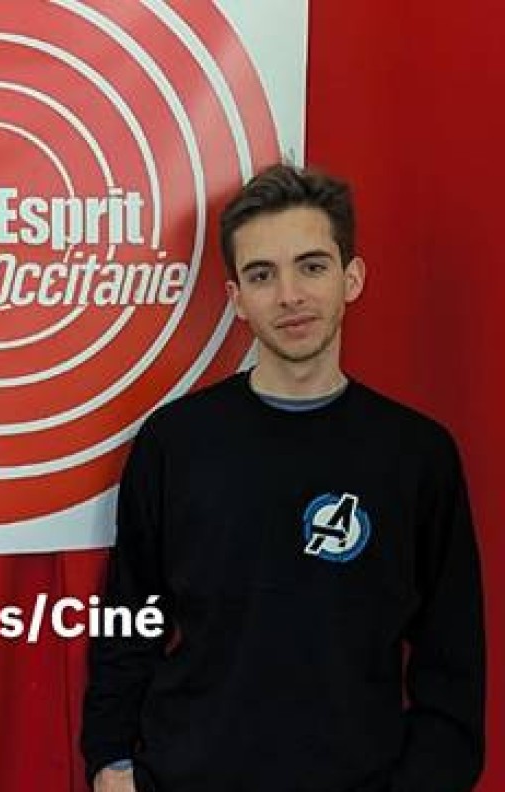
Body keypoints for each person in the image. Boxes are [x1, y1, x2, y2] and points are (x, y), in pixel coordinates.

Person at [80, 164, 486, 792]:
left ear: (352, 277)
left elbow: (452, 658)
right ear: (237, 299)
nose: (289, 295)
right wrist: (110, 761)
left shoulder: (416, 455)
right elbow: (129, 618)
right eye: (262, 275)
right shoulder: (176, 443)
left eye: (312, 266)